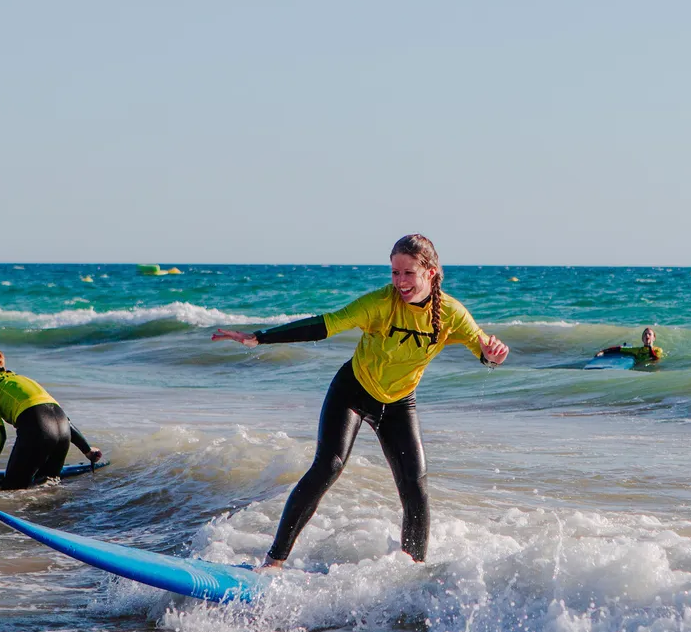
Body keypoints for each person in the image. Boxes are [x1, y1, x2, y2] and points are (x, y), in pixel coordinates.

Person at [212, 234, 508, 569]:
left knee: (415, 486)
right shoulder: (379, 303)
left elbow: (484, 351)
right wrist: (259, 337)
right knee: (328, 467)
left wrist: (493, 356)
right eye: (395, 273)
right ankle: (274, 561)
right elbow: (326, 325)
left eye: (408, 273)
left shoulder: (452, 314)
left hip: (399, 403)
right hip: (352, 393)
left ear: (432, 272)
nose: (399, 282)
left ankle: (411, 572)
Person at [0, 347, 103, 491]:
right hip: (63, 430)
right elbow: (60, 418)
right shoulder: (22, 379)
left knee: (12, 493)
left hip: (37, 430)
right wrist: (87, 450)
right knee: (48, 490)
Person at [595, 327, 664, 365]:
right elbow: (619, 349)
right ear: (642, 339)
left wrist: (650, 348)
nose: (647, 335)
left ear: (654, 338)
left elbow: (656, 360)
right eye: (645, 334)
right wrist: (603, 352)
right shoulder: (637, 350)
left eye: (649, 334)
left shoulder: (658, 350)